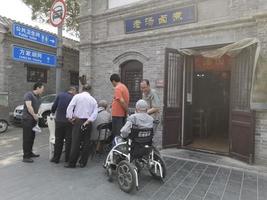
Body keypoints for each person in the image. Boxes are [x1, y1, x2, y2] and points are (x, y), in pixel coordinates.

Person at [65, 84, 98, 168]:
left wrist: (70, 117)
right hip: (88, 122)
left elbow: (70, 107)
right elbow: (95, 113)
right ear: (90, 90)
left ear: (82, 89)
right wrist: (89, 120)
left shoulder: (77, 97)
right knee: (86, 143)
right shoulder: (93, 100)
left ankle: (72, 163)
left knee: (75, 142)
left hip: (78, 121)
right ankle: (83, 163)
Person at [50, 86, 77, 164]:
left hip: (59, 121)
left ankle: (56, 158)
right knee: (69, 140)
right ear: (73, 90)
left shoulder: (60, 95)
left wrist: (52, 112)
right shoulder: (74, 97)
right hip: (69, 122)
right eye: (75, 91)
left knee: (58, 140)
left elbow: (54, 106)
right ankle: (67, 159)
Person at [22, 82, 44, 163]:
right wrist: (34, 115)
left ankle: (30, 153)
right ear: (38, 88)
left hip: (34, 120)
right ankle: (25, 156)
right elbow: (29, 106)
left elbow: (38, 107)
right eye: (42, 88)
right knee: (27, 138)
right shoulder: (29, 94)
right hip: (27, 119)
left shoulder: (39, 97)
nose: (43, 90)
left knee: (32, 137)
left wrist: (38, 114)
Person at [110, 73, 129, 138]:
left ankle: (117, 147)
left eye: (112, 83)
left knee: (117, 135)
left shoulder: (117, 88)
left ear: (113, 81)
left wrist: (127, 110)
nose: (112, 84)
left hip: (117, 115)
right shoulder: (124, 86)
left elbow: (122, 101)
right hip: (121, 114)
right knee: (121, 133)